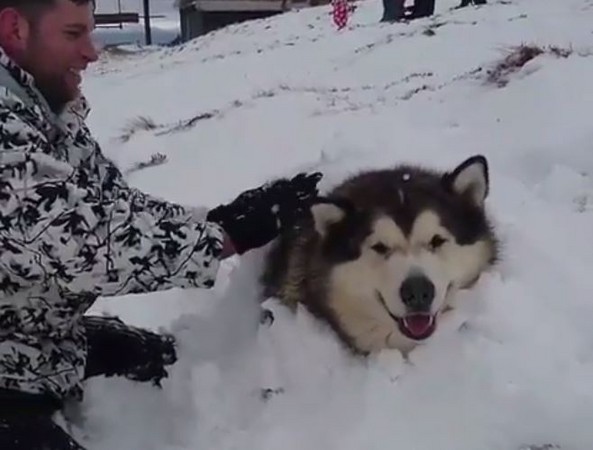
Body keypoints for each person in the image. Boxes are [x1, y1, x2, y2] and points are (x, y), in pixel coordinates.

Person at [0, 0, 323, 448]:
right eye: (73, 35)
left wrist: (215, 219)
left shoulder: (45, 111)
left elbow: (114, 208)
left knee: (171, 360)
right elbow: (75, 243)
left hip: (38, 343)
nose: (92, 53)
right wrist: (222, 238)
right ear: (14, 29)